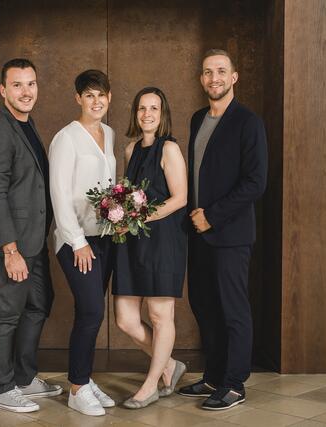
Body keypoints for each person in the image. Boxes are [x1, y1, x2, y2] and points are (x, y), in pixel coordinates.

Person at [178, 49, 267, 410]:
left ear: (233, 77)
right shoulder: (198, 119)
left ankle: (234, 384)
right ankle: (214, 376)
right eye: (207, 72)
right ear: (201, 79)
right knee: (204, 306)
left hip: (230, 234)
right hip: (198, 235)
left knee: (233, 310)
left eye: (221, 71)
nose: (213, 78)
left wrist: (212, 215)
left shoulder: (248, 121)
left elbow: (255, 182)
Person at [0, 58, 62, 413]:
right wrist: (9, 249)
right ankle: (1, 387)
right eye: (17, 85)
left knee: (39, 303)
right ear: (3, 90)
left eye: (30, 84)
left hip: (34, 239)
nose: (26, 92)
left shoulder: (26, 124)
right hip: (15, 243)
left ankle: (25, 378)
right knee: (6, 313)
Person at [112, 87, 188, 409]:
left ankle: (150, 385)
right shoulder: (130, 150)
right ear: (135, 113)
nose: (147, 114)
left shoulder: (168, 148)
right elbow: (127, 194)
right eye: (142, 108)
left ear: (162, 113)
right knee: (125, 319)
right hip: (132, 243)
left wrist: (137, 217)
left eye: (154, 108)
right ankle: (169, 365)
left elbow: (180, 198)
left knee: (159, 315)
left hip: (163, 241)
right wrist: (117, 215)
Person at [48, 69, 117, 417]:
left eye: (101, 94)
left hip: (105, 238)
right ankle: (76, 388)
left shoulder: (109, 133)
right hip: (76, 241)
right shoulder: (65, 138)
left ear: (109, 97)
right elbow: (59, 195)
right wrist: (77, 242)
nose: (96, 101)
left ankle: (85, 379)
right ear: (78, 99)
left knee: (91, 312)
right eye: (89, 95)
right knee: (91, 310)